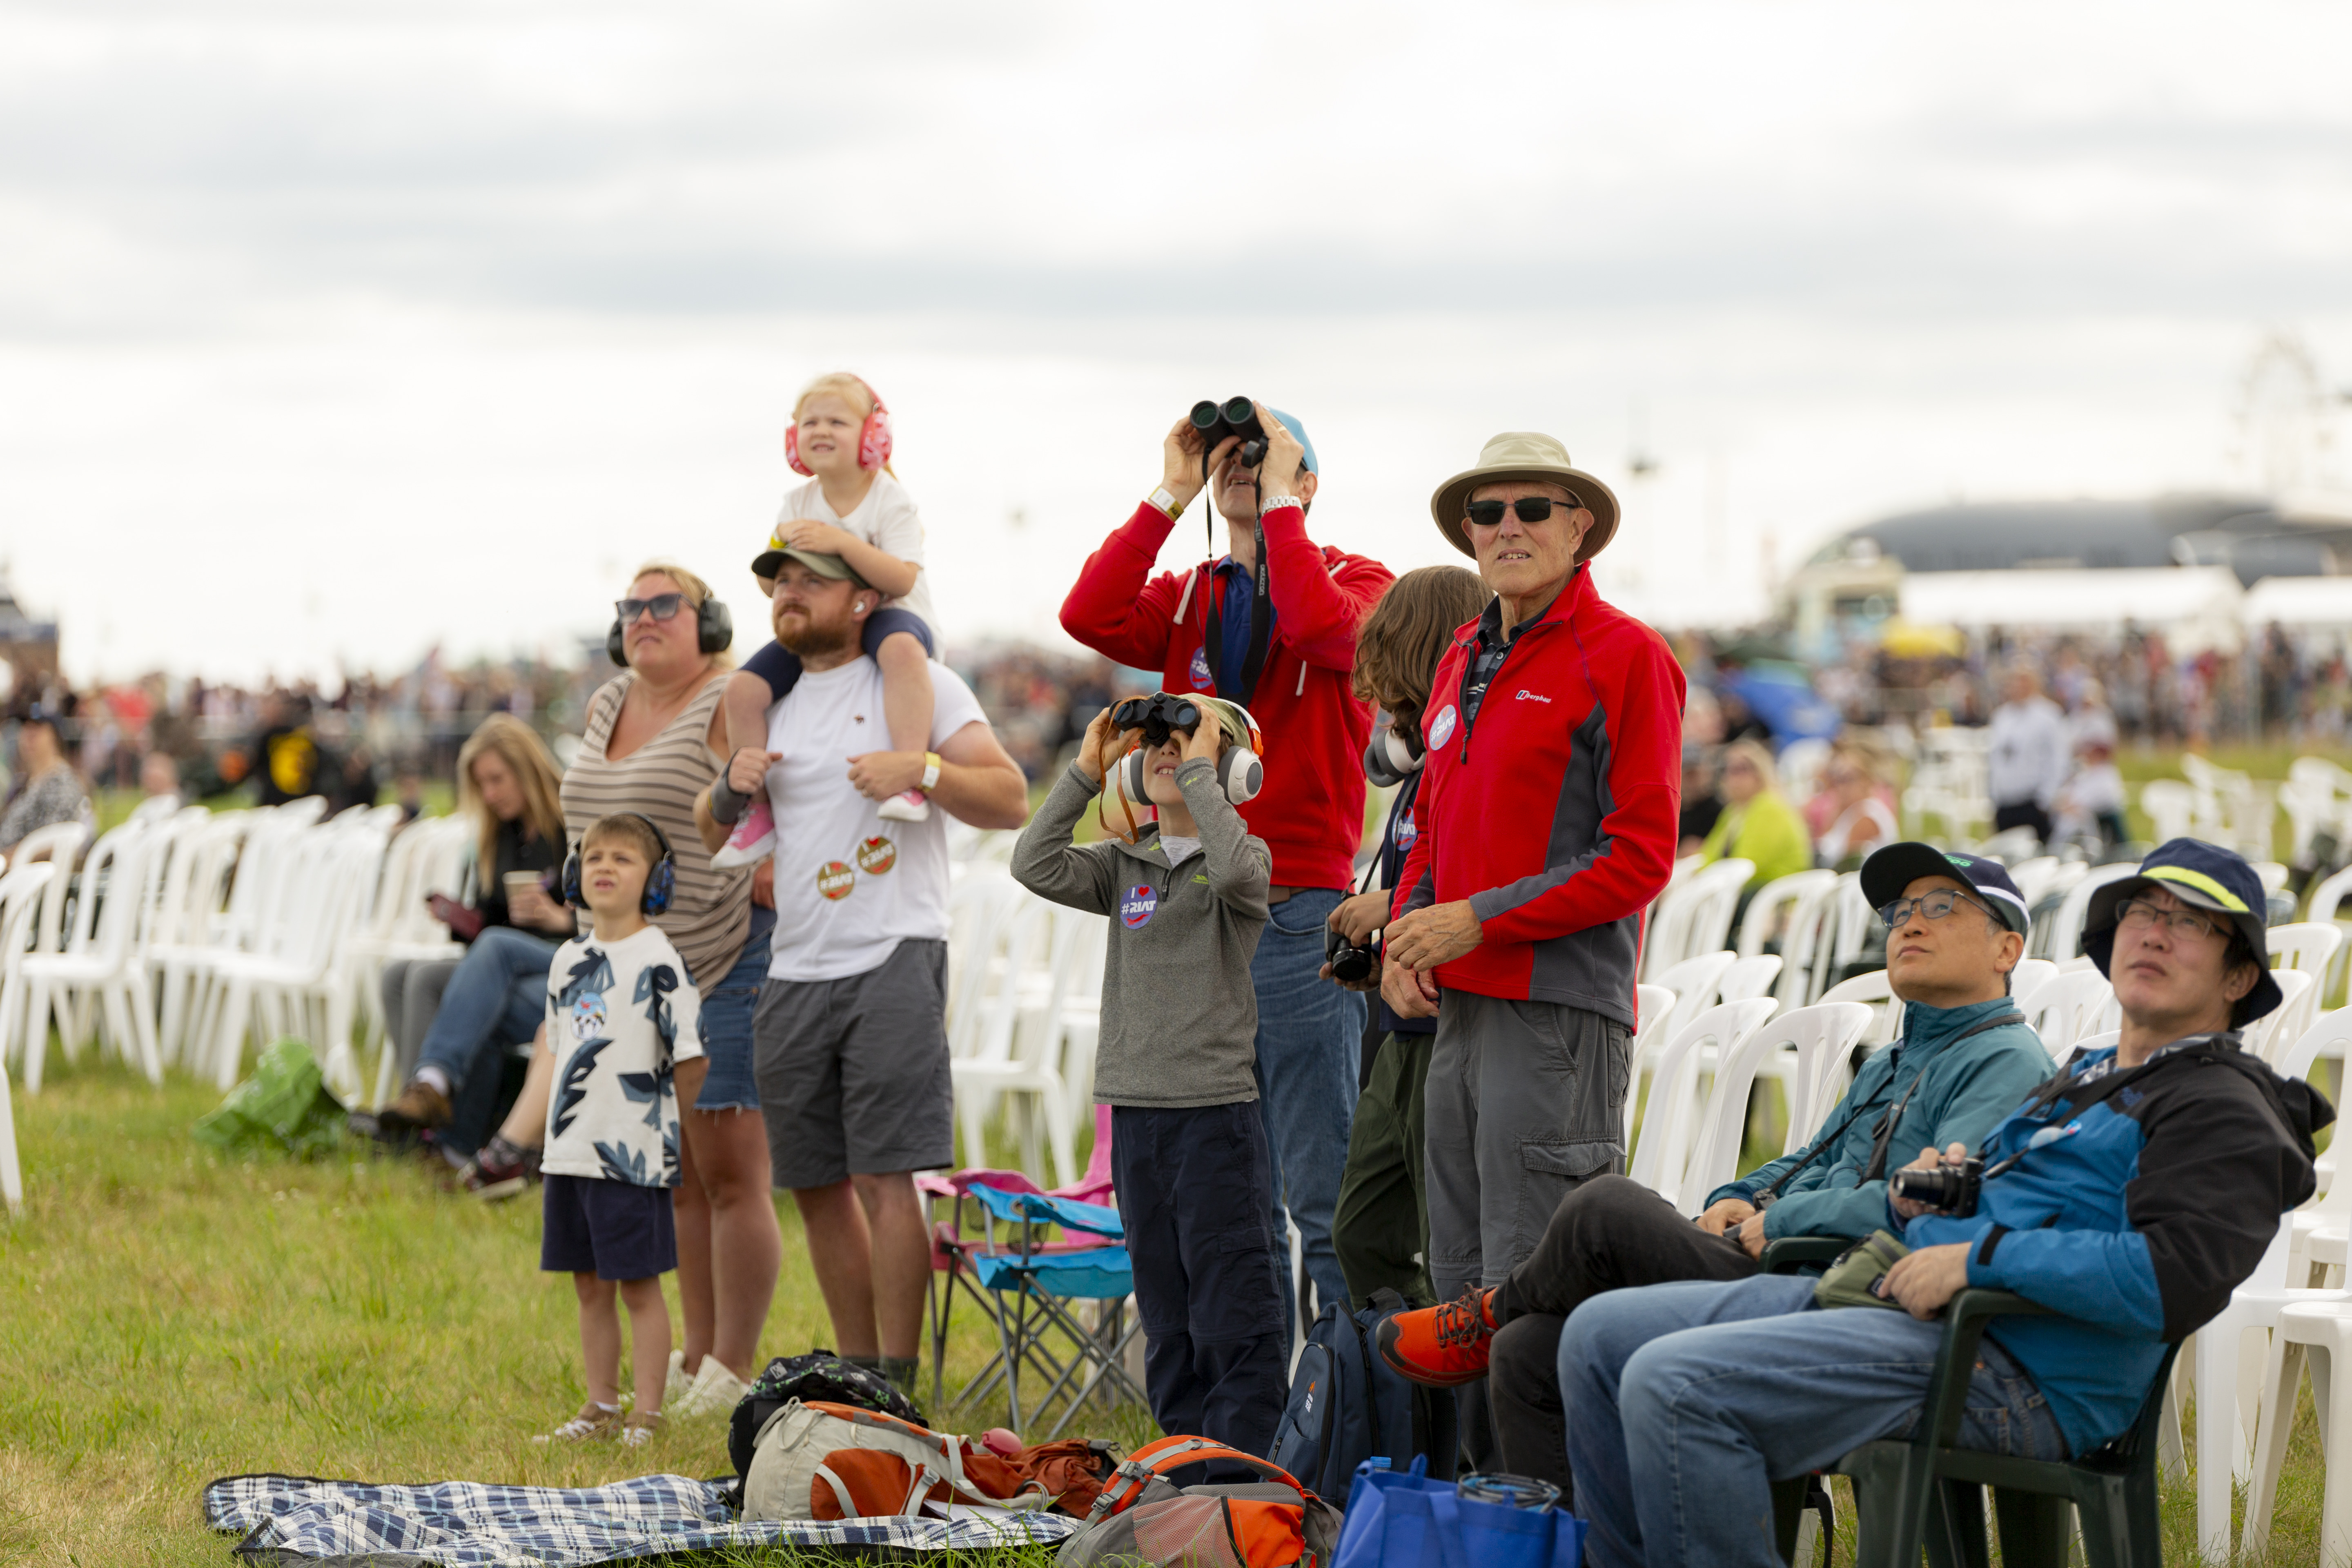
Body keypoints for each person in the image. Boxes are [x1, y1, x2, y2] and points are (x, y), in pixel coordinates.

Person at [1559, 838, 2329, 1568]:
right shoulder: (2094, 1071)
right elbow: (2022, 1195)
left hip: (2019, 1368)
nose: (2156, 935)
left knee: (1676, 1384)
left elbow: (2171, 1278)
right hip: (1915, 1314)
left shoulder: (2222, 1104)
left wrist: (1976, 1257)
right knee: (1596, 1335)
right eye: (2142, 913)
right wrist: (1936, 1193)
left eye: (2190, 923)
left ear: (2238, 977)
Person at [1375, 843, 2051, 1490]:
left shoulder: (2003, 1060)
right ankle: (1563, 1543)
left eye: (1940, 908)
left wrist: (1779, 1217)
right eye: (1898, 913)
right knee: (1528, 1350)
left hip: (1839, 1289)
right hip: (1782, 1257)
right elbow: (1811, 1158)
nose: (1909, 925)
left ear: (2007, 949)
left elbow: (1935, 1207)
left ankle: (1485, 1314)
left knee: (1605, 1210)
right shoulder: (1896, 1057)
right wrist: (1743, 1192)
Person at [1380, 432, 1684, 1460]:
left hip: (1555, 1011)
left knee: (1526, 1282)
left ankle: (1545, 1518)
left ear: (1579, 526)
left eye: (1530, 508)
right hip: (1460, 1005)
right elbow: (1429, 819)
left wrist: (1474, 919)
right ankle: (1481, 1511)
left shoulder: (1627, 655)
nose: (1505, 526)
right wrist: (1403, 935)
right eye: (1484, 511)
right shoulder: (1464, 653)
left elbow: (1638, 857)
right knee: (1460, 1283)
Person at [1060, 397, 1394, 1325]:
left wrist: (1277, 509)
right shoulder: (1190, 593)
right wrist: (1171, 491)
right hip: (1190, 903)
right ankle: (1251, 1390)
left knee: (1317, 1189)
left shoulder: (1358, 577)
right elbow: (1086, 612)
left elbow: (1330, 634)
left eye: (1264, 454)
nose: (1239, 464)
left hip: (1294, 904)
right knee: (1209, 1183)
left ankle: (1344, 1398)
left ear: (1306, 483)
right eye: (1227, 454)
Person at [699, 545, 1028, 1399]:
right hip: (794, 967)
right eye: (779, 582)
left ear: (861, 600)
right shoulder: (767, 701)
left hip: (894, 951)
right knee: (812, 1184)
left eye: (809, 578)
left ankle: (901, 1383)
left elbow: (1009, 796)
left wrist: (920, 768)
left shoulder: (918, 685)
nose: (787, 593)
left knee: (887, 1178)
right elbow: (709, 832)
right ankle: (857, 1380)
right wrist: (730, 790)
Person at [1011, 693, 1287, 1455]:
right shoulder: (1121, 865)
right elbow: (1030, 861)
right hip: (1135, 1114)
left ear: (1232, 764)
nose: (1171, 751)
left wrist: (1201, 773)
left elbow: (1233, 875)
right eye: (1158, 741)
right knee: (1165, 1312)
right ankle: (1184, 1461)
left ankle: (1245, 1472)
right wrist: (1086, 768)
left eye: (1192, 740)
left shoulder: (1245, 857)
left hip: (1213, 1117)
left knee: (1231, 1301)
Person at [558, 559, 782, 1419]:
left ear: (708, 620)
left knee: (730, 1171)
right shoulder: (606, 702)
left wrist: (777, 865)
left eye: (665, 605)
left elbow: (778, 788)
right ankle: (694, 1355)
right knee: (675, 1174)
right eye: (632, 607)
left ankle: (733, 1361)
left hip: (721, 956)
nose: (645, 618)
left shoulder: (732, 695)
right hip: (626, 972)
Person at [1324, 565, 1492, 1312]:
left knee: (1447, 1236)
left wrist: (1387, 908)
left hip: (1446, 1028)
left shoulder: (1467, 756)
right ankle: (1404, 1398)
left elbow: (1476, 878)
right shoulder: (1417, 771)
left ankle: (1446, 1415)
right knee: (1361, 1231)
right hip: (1396, 1028)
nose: (1382, 700)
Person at [708, 373, 939, 868]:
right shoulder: (796, 503)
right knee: (742, 690)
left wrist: (840, 544)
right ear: (794, 438)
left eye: (838, 420)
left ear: (873, 436)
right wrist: (786, 556)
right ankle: (760, 811)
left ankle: (909, 774)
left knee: (900, 650)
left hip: (891, 617)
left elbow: (900, 579)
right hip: (824, 627)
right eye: (811, 421)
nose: (822, 430)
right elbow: (771, 584)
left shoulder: (890, 499)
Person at [531, 813, 705, 1448]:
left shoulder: (660, 961)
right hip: (571, 1150)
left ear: (656, 881)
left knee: (637, 1284)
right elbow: (558, 1046)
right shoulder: (567, 960)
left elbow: (690, 1057)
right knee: (588, 1284)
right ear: (577, 873)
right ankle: (600, 1405)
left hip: (631, 1155)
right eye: (595, 857)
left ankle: (648, 1413)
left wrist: (683, 1139)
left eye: (623, 859)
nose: (605, 867)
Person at [374, 717, 577, 1164]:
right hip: (512, 965)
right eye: (481, 785)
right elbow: (492, 922)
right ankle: (423, 1118)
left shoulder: (573, 822)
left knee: (496, 952)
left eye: (496, 780)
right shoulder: (501, 833)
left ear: (526, 768)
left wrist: (561, 918)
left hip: (568, 960)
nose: (489, 794)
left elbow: (611, 916)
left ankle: (436, 1090)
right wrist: (464, 920)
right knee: (406, 975)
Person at [1696, 739, 1810, 893]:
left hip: (1774, 895)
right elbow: (1708, 856)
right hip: (1746, 890)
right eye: (1725, 769)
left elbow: (1748, 865)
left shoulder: (1769, 807)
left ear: (1760, 771)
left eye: (1741, 769)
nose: (1731, 776)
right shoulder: (1733, 811)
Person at [1988, 661, 2069, 844]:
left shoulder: (2048, 716)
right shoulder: (2002, 716)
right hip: (2005, 803)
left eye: (2023, 680)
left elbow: (2059, 759)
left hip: (2032, 802)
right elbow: (1996, 759)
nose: (2018, 686)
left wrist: (2046, 799)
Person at [0, 707, 90, 853]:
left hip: (30, 871)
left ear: (55, 737)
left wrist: (7, 858)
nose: (28, 737)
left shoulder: (61, 784)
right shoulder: (23, 781)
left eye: (36, 730)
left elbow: (54, 844)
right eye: (25, 729)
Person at [1809, 739, 1898, 869]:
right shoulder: (1851, 811)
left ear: (1867, 780)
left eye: (1848, 779)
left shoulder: (1868, 816)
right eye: (1837, 779)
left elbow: (1845, 863)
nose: (1841, 786)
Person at [243, 690, 324, 806]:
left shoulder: (300, 733)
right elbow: (254, 766)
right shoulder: (266, 735)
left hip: (297, 797)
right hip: (276, 799)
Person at [1676, 747, 1722, 856]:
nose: (1691, 780)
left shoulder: (1719, 811)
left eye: (1695, 774)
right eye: (1686, 774)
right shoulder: (1674, 811)